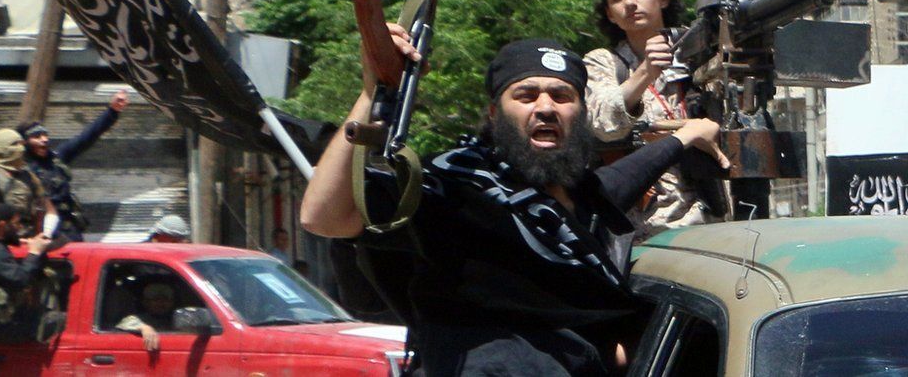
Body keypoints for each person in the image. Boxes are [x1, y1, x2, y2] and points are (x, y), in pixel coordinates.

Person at [301, 32, 729, 375]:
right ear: (494, 113)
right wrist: (372, 95)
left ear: (580, 113)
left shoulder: (578, 197)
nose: (545, 107)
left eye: (562, 96)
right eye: (526, 95)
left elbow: (621, 178)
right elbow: (323, 216)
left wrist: (686, 135)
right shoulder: (454, 187)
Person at [585, 0, 728, 240]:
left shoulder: (700, 53)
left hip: (714, 224)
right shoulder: (603, 64)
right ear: (610, 15)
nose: (629, 2)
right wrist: (647, 71)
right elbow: (603, 125)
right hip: (644, 234)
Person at [17, 90, 129, 241]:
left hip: (69, 229)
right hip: (41, 232)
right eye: (37, 137)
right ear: (25, 142)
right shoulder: (22, 169)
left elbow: (87, 136)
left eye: (45, 135)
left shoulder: (57, 158)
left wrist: (112, 111)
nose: (44, 140)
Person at [0, 203, 65, 343]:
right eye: (16, 223)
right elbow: (21, 279)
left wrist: (23, 242)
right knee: (64, 320)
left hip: (1, 324)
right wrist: (34, 252)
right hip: (3, 329)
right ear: (3, 225)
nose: (19, 228)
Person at [0, 129, 59, 238]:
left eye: (22, 144)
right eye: (15, 144)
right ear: (2, 148)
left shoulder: (29, 176)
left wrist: (45, 233)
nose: (21, 148)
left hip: (28, 238)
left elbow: (47, 209)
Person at [116, 282, 176, 351]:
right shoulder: (141, 318)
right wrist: (144, 328)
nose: (161, 303)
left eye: (166, 300)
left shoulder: (177, 318)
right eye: (155, 299)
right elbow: (125, 323)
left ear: (172, 302)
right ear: (145, 302)